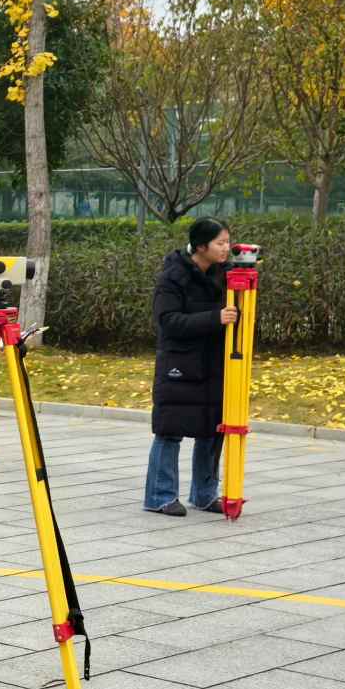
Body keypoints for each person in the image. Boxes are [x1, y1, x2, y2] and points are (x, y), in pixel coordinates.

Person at [145, 217, 237, 516]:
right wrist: (214, 318)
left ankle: (205, 494)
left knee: (212, 429)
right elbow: (168, 321)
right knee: (170, 430)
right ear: (200, 246)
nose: (226, 248)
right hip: (180, 364)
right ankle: (160, 496)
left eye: (227, 242)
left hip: (215, 364)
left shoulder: (225, 274)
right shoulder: (173, 277)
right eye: (220, 243)